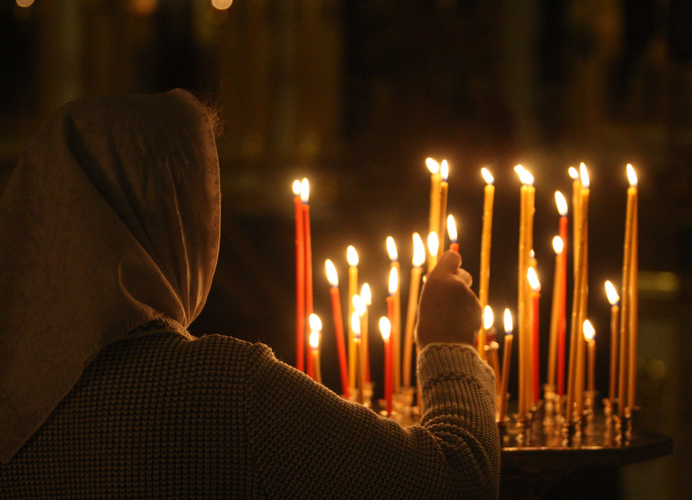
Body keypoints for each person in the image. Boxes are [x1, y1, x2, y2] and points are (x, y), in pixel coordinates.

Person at [0, 89, 500, 498]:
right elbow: (457, 482)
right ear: (178, 219)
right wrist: (448, 343)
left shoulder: (17, 396)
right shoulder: (226, 392)